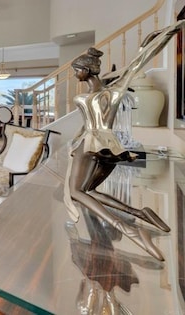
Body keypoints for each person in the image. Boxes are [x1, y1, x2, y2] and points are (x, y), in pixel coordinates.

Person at [64, 20, 184, 261]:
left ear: (87, 70)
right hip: (110, 146)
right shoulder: (115, 90)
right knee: (89, 190)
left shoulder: (87, 97)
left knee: (76, 191)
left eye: (77, 68)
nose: (75, 73)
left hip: (90, 146)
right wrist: (155, 39)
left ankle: (130, 230)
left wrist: (161, 36)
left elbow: (140, 59)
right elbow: (138, 62)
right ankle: (141, 213)